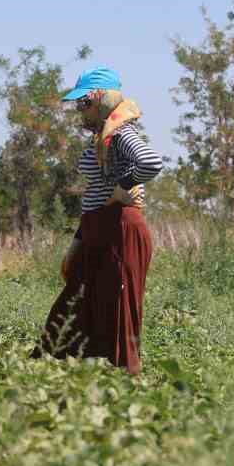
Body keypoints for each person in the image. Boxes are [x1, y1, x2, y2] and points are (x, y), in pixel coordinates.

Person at [33, 66, 163, 375]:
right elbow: (93, 195)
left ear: (101, 100)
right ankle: (69, 374)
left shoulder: (121, 134)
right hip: (97, 230)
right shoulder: (101, 138)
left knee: (115, 307)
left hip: (119, 229)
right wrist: (76, 243)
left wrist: (123, 187)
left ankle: (122, 379)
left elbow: (151, 162)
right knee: (76, 304)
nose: (79, 111)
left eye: (83, 103)